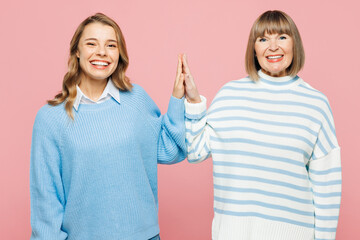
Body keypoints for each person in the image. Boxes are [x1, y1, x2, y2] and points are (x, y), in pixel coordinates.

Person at [182, 10, 341, 240]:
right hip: (232, 234)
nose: (273, 46)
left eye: (282, 37)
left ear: (295, 43)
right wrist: (195, 101)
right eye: (263, 39)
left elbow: (327, 184)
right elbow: (195, 151)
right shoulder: (230, 95)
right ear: (254, 49)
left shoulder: (316, 103)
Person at [30, 13, 187, 240]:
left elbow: (170, 149)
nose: (102, 52)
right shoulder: (50, 118)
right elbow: (46, 201)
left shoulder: (136, 100)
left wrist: (178, 98)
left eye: (111, 45)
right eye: (91, 43)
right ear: (77, 51)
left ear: (119, 54)